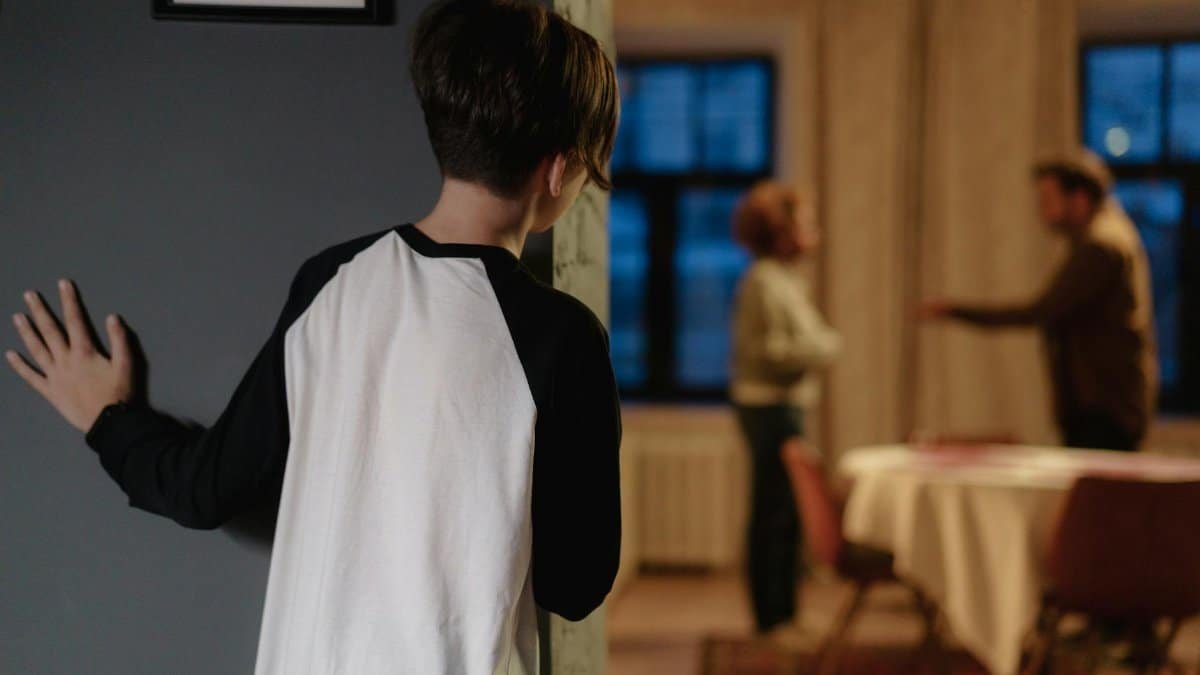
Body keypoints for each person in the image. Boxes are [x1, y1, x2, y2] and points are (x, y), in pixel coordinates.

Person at [4, 1, 622, 673]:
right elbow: (576, 583)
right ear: (560, 170)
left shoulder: (331, 282)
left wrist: (107, 417)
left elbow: (204, 488)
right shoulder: (563, 337)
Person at [922, 149, 1157, 452]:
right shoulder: (1106, 237)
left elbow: (1041, 310)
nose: (1041, 210)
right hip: (1104, 402)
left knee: (1101, 496)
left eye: (1048, 200)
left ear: (1080, 199)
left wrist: (954, 310)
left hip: (1104, 406)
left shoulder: (1101, 246)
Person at [729, 181, 842, 639]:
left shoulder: (783, 279)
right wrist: (821, 348)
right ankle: (771, 619)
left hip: (785, 406)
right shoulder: (763, 282)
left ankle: (786, 613)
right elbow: (767, 351)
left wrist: (820, 345)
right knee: (773, 513)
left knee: (788, 513)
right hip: (768, 408)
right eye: (805, 223)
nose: (814, 231)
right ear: (781, 231)